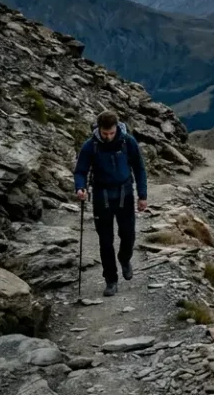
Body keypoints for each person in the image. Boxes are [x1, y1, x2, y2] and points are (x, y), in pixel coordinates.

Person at [75, 110, 148, 296]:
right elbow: (80, 170)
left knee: (128, 234)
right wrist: (80, 187)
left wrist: (142, 195)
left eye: (111, 133)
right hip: (102, 195)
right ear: (99, 129)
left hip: (125, 193)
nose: (108, 137)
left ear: (117, 128)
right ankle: (111, 280)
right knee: (105, 241)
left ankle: (125, 258)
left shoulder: (127, 141)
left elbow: (139, 167)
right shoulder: (91, 145)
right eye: (105, 133)